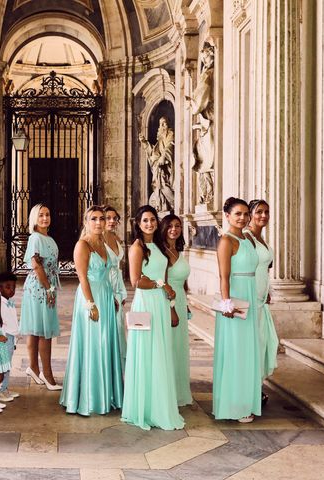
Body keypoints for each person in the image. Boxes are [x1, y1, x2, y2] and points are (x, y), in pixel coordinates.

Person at [121, 205, 184, 431]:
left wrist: (172, 307)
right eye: (145, 220)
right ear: (138, 224)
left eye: (153, 220)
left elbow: (165, 276)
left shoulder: (159, 246)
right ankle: (144, 408)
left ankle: (160, 405)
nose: (150, 223)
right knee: (147, 353)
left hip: (161, 302)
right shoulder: (137, 247)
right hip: (146, 302)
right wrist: (161, 284)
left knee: (161, 353)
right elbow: (136, 281)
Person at [60, 206, 123, 415]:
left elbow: (109, 273)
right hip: (90, 297)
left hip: (105, 295)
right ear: (86, 221)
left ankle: (108, 393)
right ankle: (90, 397)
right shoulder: (83, 245)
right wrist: (91, 304)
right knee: (93, 344)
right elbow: (82, 277)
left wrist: (113, 296)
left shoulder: (103, 243)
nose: (99, 222)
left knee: (106, 343)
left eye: (102, 219)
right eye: (94, 219)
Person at [213, 197, 262, 423]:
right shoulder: (227, 241)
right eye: (237, 214)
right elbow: (224, 277)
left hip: (251, 294)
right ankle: (234, 405)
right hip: (235, 299)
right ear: (227, 216)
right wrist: (226, 304)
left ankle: (246, 401)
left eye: (245, 214)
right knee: (236, 352)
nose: (243, 218)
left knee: (247, 351)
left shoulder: (248, 238)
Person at [20, 204, 61, 389]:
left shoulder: (49, 239)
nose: (45, 218)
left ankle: (34, 368)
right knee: (44, 331)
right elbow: (36, 266)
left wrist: (50, 286)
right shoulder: (35, 238)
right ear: (34, 219)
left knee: (37, 329)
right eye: (41, 215)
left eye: (48, 214)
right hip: (39, 287)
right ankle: (47, 374)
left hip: (45, 285)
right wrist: (49, 288)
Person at [246, 199, 279, 405]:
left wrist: (269, 290)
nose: (263, 216)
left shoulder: (263, 239)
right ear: (250, 214)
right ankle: (250, 392)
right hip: (250, 299)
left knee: (263, 345)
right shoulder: (247, 238)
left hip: (262, 300)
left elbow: (265, 269)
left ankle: (256, 388)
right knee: (252, 347)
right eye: (259, 212)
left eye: (267, 212)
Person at [158, 213, 193, 406]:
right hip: (167, 302)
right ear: (163, 228)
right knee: (169, 348)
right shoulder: (161, 252)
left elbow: (183, 281)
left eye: (178, 226)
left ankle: (179, 392)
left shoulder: (179, 251)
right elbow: (163, 282)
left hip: (180, 300)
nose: (174, 229)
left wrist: (185, 302)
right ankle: (167, 394)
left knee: (179, 348)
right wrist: (172, 309)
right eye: (170, 226)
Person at [103, 205, 128, 370]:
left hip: (118, 288)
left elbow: (118, 268)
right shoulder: (98, 240)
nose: (112, 221)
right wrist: (109, 295)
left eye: (115, 218)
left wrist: (122, 291)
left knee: (119, 329)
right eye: (108, 218)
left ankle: (119, 369)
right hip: (106, 288)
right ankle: (107, 368)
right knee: (107, 331)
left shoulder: (117, 239)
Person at [138, 117, 175, 212]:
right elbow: (153, 151)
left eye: (164, 123)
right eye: (160, 124)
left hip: (165, 168)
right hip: (157, 167)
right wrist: (144, 142)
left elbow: (170, 147)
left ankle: (174, 203)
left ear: (168, 124)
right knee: (158, 186)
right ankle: (164, 206)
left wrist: (163, 157)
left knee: (163, 185)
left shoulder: (170, 134)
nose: (162, 126)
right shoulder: (160, 138)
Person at [0, 272, 20, 402]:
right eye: (8, 287)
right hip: (4, 338)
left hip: (11, 337)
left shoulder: (9, 302)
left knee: (7, 365)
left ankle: (4, 388)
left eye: (13, 287)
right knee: (3, 365)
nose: (11, 290)